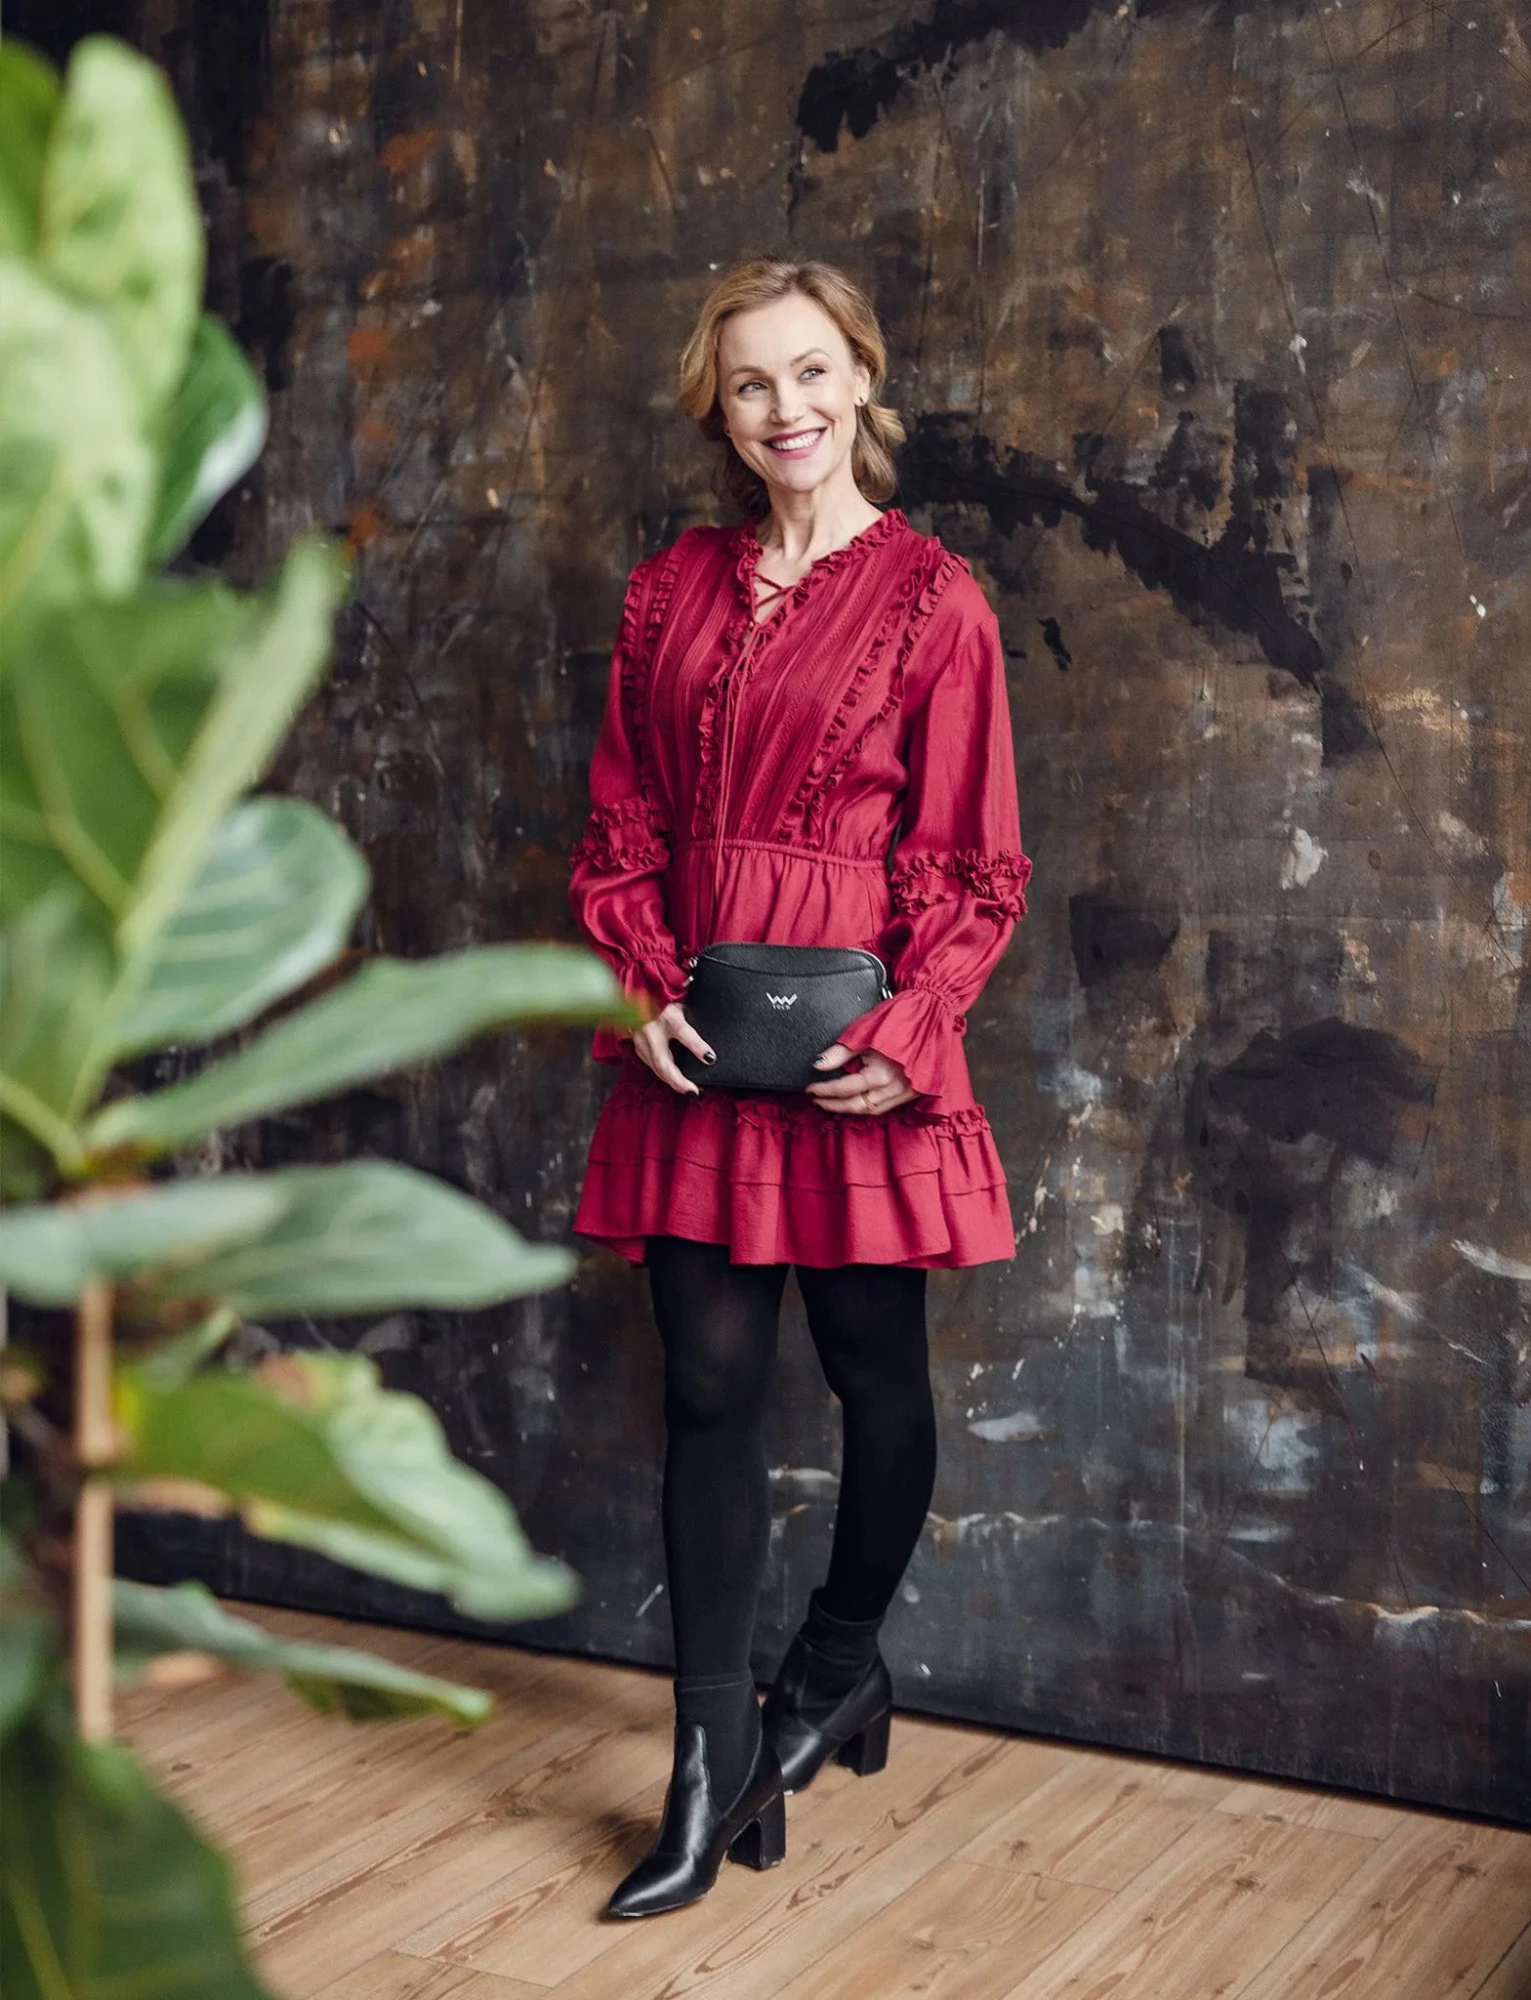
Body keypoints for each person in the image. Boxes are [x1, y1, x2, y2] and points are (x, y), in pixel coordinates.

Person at [566, 257, 1031, 1920]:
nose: (787, 408)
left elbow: (971, 858)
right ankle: (705, 1760)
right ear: (721, 406)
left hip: (854, 1050)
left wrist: (912, 1030)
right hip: (699, 1040)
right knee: (705, 1390)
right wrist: (634, 981)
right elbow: (621, 826)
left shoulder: (935, 601)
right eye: (753, 381)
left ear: (861, 380)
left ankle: (837, 1663)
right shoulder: (665, 593)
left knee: (869, 1368)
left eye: (813, 371)